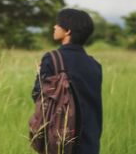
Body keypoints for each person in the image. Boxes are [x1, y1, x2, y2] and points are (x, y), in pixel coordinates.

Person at [31, 8, 103, 154]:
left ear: (68, 31)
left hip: (61, 140)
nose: (55, 26)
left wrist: (38, 74)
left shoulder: (52, 58)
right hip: (90, 141)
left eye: (58, 24)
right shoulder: (95, 65)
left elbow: (39, 96)